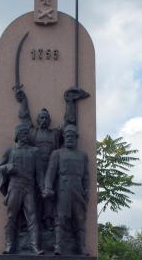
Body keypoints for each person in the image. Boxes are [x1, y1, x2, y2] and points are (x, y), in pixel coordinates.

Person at [16, 86, 89, 231]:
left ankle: (50, 222)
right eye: (41, 117)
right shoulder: (32, 133)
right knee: (35, 197)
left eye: (46, 118)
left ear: (49, 121)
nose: (43, 120)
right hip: (35, 170)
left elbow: (69, 123)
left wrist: (70, 103)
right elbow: (24, 119)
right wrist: (23, 100)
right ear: (38, 120)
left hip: (53, 169)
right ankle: (31, 225)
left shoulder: (55, 134)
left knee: (51, 198)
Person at [0, 123, 44, 255]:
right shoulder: (10, 151)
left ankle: (35, 246)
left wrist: (43, 189)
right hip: (14, 187)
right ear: (17, 135)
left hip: (29, 188)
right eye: (23, 134)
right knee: (12, 216)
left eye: (27, 134)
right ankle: (9, 245)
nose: (26, 136)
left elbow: (40, 174)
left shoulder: (34, 151)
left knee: (32, 217)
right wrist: (8, 168)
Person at [44, 124, 89, 256]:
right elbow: (50, 174)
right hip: (63, 188)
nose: (69, 138)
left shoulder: (82, 155)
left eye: (72, 136)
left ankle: (81, 247)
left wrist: (87, 189)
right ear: (63, 137)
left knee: (79, 218)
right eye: (67, 136)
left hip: (78, 189)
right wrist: (48, 187)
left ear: (76, 138)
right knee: (61, 217)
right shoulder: (57, 154)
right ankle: (58, 246)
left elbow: (86, 176)